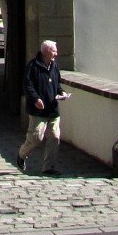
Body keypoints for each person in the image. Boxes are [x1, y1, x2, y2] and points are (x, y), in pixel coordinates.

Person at [18, 39, 69, 175]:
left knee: (54, 136)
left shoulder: (54, 66)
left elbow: (57, 84)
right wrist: (36, 99)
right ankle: (22, 155)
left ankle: (48, 167)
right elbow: (28, 86)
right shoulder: (33, 66)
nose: (56, 54)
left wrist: (62, 93)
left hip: (52, 108)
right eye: (54, 51)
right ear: (46, 52)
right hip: (38, 110)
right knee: (36, 138)